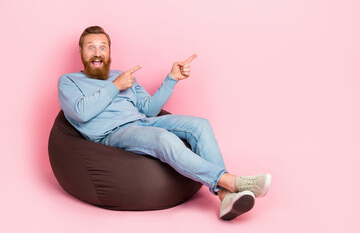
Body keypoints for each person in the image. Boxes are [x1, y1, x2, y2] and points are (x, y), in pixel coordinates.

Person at [58, 26, 271, 220]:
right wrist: (115, 86)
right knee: (163, 139)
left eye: (102, 47)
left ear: (109, 52)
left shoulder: (123, 76)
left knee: (200, 125)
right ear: (81, 52)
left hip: (143, 121)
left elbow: (149, 109)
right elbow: (81, 113)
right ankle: (233, 182)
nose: (97, 52)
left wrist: (172, 78)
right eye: (91, 47)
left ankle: (225, 196)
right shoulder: (69, 81)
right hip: (113, 134)